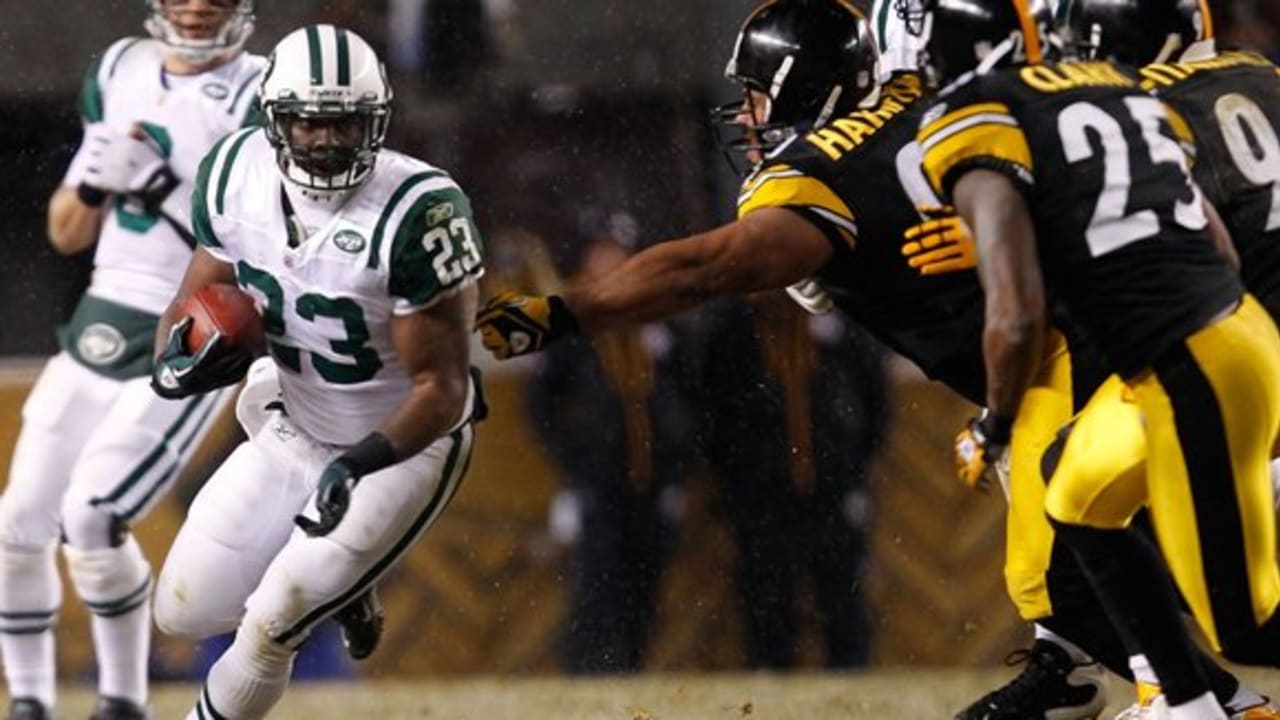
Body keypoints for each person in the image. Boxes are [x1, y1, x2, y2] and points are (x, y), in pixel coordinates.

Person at [476, 1, 1278, 717]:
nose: (747, 118)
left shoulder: (822, 172)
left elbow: (709, 267)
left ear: (801, 87)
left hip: (1064, 365)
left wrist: (566, 312)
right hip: (1133, 341)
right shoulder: (943, 106)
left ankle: (1202, 700)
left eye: (758, 94)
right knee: (1108, 545)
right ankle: (1121, 683)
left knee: (1064, 571)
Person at [902, 1, 1280, 718]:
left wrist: (1009, 232)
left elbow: (1150, 248)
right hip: (1239, 339)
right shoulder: (1260, 74)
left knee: (1240, 620)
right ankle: (1186, 702)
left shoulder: (1137, 106)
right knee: (1071, 485)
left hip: (1231, 358)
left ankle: (1187, 689)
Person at [146, 25, 486, 720]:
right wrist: (175, 361)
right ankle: (352, 581)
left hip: (400, 450)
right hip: (294, 423)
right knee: (182, 608)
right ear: (276, 120)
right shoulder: (233, 175)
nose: (327, 140)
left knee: (272, 622)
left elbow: (444, 390)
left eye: (345, 122)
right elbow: (196, 293)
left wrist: (357, 465)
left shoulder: (419, 212)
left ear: (377, 121)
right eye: (308, 122)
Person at [0, 2, 262, 719]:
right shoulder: (119, 69)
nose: (198, 6)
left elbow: (264, 239)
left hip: (190, 326)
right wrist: (94, 183)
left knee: (91, 516)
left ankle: (122, 700)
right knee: (17, 523)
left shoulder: (263, 92)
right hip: (100, 318)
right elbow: (64, 231)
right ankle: (29, 701)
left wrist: (163, 190)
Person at [525, 217, 692, 673]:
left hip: (652, 476)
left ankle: (632, 668)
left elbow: (686, 398)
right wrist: (573, 462)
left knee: (645, 579)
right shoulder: (569, 320)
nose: (610, 262)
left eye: (618, 252)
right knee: (596, 582)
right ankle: (589, 672)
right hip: (596, 478)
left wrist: (677, 466)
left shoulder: (658, 318)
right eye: (602, 252)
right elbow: (540, 405)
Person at [684, 294, 886, 669]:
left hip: (831, 484)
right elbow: (712, 410)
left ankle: (850, 671)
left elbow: (874, 398)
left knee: (841, 586)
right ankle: (771, 670)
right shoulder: (734, 332)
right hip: (759, 487)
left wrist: (856, 467)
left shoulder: (837, 323)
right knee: (766, 586)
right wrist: (729, 479)